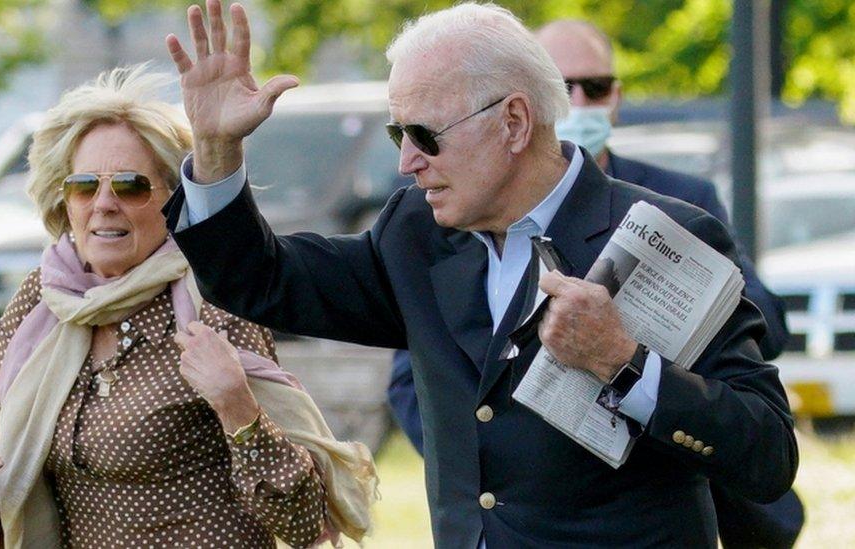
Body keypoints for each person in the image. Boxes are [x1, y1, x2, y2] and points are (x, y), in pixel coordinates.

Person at [164, 2, 798, 547]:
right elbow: (264, 280)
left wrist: (622, 360)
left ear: (514, 122)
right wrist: (218, 151)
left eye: (424, 134)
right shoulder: (416, 231)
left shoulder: (664, 232)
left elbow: (767, 454)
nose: (408, 161)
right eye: (396, 134)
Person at [0, 65, 376, 548]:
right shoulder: (43, 302)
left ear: (171, 201)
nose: (104, 203)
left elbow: (302, 523)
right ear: (63, 200)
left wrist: (238, 408)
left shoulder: (213, 303)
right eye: (85, 185)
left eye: (131, 185)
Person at [388, 18, 804, 548]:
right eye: (563, 87)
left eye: (597, 87)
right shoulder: (457, 211)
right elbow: (418, 374)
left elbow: (761, 331)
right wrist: (494, 464)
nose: (579, 103)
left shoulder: (676, 201)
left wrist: (632, 352)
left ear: (617, 97)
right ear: (523, 107)